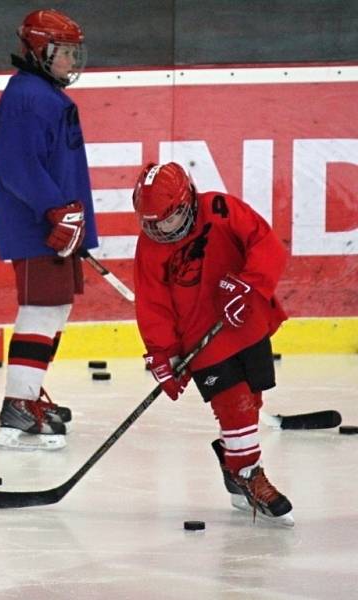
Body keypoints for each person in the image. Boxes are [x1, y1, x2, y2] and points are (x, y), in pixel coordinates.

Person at [131, 161, 294, 526]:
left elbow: (265, 243)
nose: (157, 229)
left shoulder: (220, 208)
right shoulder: (150, 246)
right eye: (149, 222)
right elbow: (152, 305)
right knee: (233, 404)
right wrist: (162, 353)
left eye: (166, 221)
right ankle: (249, 473)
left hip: (245, 322)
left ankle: (232, 457)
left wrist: (248, 283)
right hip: (200, 341)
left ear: (187, 201)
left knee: (251, 399)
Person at [0, 9, 98, 451]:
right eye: (64, 53)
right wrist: (55, 209)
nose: (72, 61)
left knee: (54, 309)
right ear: (39, 51)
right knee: (40, 309)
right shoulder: (28, 97)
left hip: (56, 222)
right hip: (37, 225)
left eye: (74, 52)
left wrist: (69, 215)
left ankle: (29, 394)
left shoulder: (45, 94)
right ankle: (18, 402)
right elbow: (15, 166)